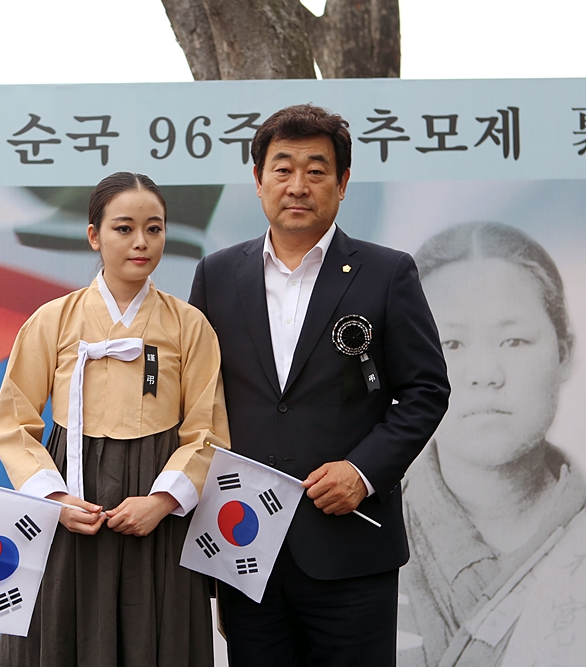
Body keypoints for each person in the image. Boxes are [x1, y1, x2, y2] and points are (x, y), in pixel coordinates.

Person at [189, 104, 451, 667]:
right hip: (244, 544)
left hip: (349, 542)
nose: (298, 185)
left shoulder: (387, 272)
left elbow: (426, 390)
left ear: (343, 182)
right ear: (258, 180)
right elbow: (197, 399)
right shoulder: (216, 274)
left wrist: (362, 471)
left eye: (316, 170)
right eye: (282, 169)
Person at [397, 221, 586, 667]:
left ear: (564, 353)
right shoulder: (367, 531)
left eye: (513, 340)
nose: (485, 373)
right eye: (451, 343)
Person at [0, 172, 229, 667]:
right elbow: (14, 422)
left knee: (157, 640)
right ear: (94, 235)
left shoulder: (189, 325)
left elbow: (206, 432)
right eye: (124, 228)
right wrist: (54, 499)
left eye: (154, 229)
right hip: (71, 503)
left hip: (156, 510)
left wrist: (163, 502)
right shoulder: (52, 319)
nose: (141, 242)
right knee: (61, 636)